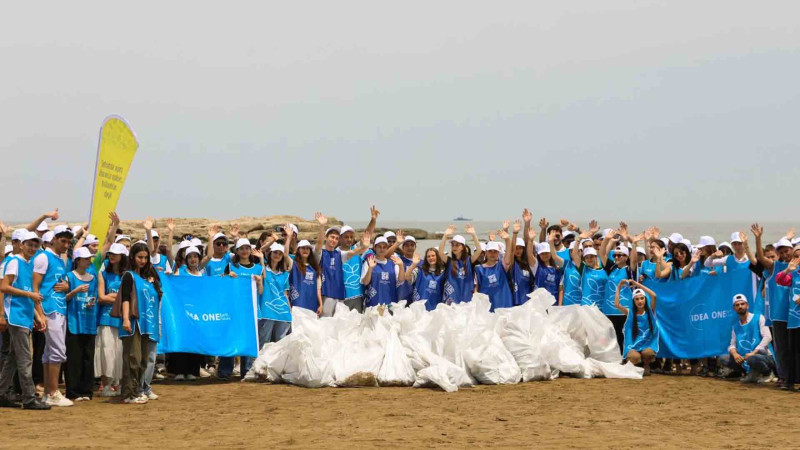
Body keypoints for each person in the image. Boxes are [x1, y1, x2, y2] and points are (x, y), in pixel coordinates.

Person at [0, 231, 50, 410]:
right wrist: (28, 295)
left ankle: (2, 392)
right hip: (16, 315)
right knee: (24, 358)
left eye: (36, 245)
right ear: (21, 244)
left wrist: (37, 316)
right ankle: (29, 398)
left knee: (14, 357)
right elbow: (4, 286)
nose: (33, 248)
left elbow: (28, 291)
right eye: (30, 244)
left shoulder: (28, 264)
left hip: (24, 316)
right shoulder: (14, 262)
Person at [112, 242, 162, 404]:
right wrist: (126, 318)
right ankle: (129, 394)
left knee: (142, 361)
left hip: (147, 325)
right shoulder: (129, 276)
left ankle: (137, 390)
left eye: (146, 258)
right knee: (132, 359)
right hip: (133, 323)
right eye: (140, 257)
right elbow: (125, 298)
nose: (143, 260)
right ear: (132, 257)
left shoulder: (147, 279)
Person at [32, 224, 73, 407]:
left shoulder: (60, 260)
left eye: (68, 241)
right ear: (54, 239)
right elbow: (35, 286)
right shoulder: (43, 257)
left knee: (50, 352)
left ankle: (49, 392)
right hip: (49, 309)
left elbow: (59, 283)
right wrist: (39, 314)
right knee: (57, 351)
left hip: (59, 307)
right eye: (63, 241)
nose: (66, 245)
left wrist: (66, 287)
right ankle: (53, 392)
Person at [752, 224, 792, 388]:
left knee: (795, 348)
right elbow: (760, 259)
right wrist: (758, 238)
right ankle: (784, 377)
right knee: (781, 348)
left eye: (786, 251)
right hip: (778, 314)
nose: (784, 254)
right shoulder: (775, 267)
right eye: (780, 252)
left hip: (795, 314)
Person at [218, 238, 264, 380]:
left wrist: (259, 282)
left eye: (247, 248)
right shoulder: (231, 267)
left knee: (249, 340)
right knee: (230, 338)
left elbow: (261, 292)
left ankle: (247, 371)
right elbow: (222, 286)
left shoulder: (258, 268)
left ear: (250, 250)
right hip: (234, 309)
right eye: (242, 248)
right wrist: (228, 277)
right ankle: (225, 371)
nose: (245, 251)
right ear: (237, 251)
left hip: (251, 310)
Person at [314, 213, 369, 316]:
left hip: (340, 297)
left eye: (336, 238)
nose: (334, 240)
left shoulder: (339, 255)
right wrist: (322, 226)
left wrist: (363, 247)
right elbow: (319, 243)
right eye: (332, 237)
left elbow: (352, 252)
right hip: (326, 295)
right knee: (326, 325)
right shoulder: (320, 254)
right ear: (326, 237)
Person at [64, 247, 99, 401]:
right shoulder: (69, 277)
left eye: (89, 258)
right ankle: (73, 391)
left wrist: (93, 302)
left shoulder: (93, 277)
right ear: (77, 260)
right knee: (74, 357)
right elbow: (63, 298)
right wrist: (75, 291)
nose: (88, 261)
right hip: (74, 321)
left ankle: (86, 390)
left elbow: (95, 296)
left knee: (88, 357)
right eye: (85, 258)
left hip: (89, 321)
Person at [717, 293, 775, 383]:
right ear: (734, 308)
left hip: (762, 356)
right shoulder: (735, 326)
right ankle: (746, 373)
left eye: (742, 304)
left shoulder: (759, 318)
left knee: (753, 358)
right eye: (737, 305)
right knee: (723, 358)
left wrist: (753, 352)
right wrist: (735, 354)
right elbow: (732, 345)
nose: (740, 306)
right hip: (745, 358)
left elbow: (768, 337)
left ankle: (768, 373)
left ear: (747, 305)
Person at [95, 243, 127, 397]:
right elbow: (101, 297)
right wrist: (119, 297)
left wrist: (112, 297)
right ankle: (106, 385)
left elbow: (129, 296)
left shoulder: (127, 274)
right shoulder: (103, 273)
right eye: (110, 254)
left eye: (115, 254)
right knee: (106, 352)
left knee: (120, 353)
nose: (111, 256)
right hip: (106, 318)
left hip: (122, 318)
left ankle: (120, 385)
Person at [170, 247, 205, 381]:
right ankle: (179, 371)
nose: (193, 259)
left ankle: (192, 371)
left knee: (194, 341)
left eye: (195, 256)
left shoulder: (202, 276)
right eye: (190, 257)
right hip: (182, 313)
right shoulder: (180, 272)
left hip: (198, 314)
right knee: (182, 340)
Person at [600, 225, 635, 353]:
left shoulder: (629, 269)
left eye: (620, 255)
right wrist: (607, 240)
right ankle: (614, 360)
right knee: (611, 338)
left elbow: (634, 259)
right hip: (609, 310)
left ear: (626, 257)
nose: (617, 257)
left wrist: (630, 241)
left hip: (624, 310)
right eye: (615, 255)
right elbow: (602, 255)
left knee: (623, 337)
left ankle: (625, 359)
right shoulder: (612, 268)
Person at [614, 279, 659, 375]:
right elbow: (617, 305)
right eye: (637, 299)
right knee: (634, 357)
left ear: (645, 299)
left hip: (647, 345)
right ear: (633, 301)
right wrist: (618, 287)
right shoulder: (630, 312)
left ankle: (646, 365)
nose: (640, 301)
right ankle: (636, 364)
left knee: (648, 353)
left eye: (642, 298)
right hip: (633, 346)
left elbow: (654, 295)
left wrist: (637, 284)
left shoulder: (650, 311)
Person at [475, 223, 515, 312]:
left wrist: (507, 239)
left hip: (504, 304)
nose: (492, 254)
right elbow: (476, 289)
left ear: (498, 253)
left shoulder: (502, 265)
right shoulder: (478, 269)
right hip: (487, 307)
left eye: (495, 252)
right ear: (486, 253)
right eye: (490, 251)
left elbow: (510, 252)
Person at [439, 224, 482, 304]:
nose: (454, 247)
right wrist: (445, 236)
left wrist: (473, 234)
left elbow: (479, 250)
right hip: (451, 299)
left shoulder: (469, 261)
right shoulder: (449, 261)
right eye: (453, 245)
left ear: (462, 247)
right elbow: (440, 252)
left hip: (467, 298)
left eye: (457, 245)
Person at [775, 248, 800, 390]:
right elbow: (779, 280)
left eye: (799, 256)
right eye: (795, 256)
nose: (796, 259)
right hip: (793, 320)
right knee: (792, 352)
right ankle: (791, 381)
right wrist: (787, 270)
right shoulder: (794, 274)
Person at [362, 236, 406, 308]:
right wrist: (370, 268)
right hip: (373, 304)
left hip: (390, 303)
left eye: (384, 247)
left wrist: (401, 266)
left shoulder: (393, 263)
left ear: (387, 248)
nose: (382, 249)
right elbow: (365, 282)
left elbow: (401, 280)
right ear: (375, 247)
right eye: (379, 246)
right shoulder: (369, 262)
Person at [528, 229, 564, 302]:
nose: (545, 255)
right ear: (539, 255)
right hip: (538, 303)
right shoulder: (536, 266)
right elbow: (529, 255)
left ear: (550, 253)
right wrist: (530, 240)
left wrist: (551, 242)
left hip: (553, 302)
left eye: (547, 253)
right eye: (542, 253)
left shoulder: (557, 267)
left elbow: (560, 289)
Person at [289, 240, 323, 314]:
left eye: (307, 248)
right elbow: (285, 255)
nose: (305, 250)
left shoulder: (315, 268)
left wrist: (320, 304)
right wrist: (289, 237)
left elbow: (318, 288)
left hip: (312, 305)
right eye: (303, 248)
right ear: (298, 250)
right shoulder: (293, 265)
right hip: (297, 305)